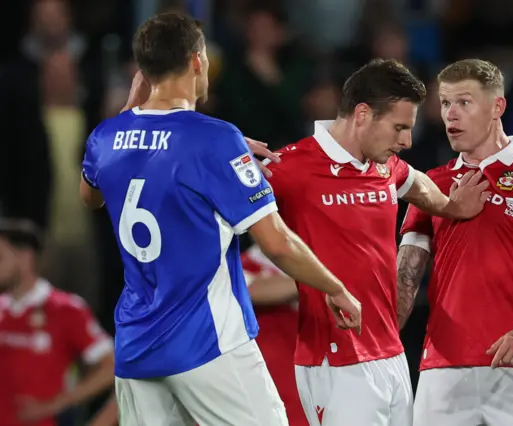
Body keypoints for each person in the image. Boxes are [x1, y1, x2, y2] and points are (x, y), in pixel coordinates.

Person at [78, 13, 362, 426]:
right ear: (197, 61)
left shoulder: (106, 136)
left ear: (143, 71)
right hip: (206, 340)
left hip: (136, 345)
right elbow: (277, 241)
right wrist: (334, 287)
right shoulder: (213, 138)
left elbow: (91, 196)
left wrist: (126, 113)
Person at [264, 58, 490, 426]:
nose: (407, 141)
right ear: (363, 114)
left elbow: (416, 184)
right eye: (399, 127)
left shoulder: (384, 166)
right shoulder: (288, 167)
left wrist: (451, 208)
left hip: (390, 353)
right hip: (335, 359)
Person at [397, 59, 513, 426]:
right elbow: (404, 279)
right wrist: (377, 347)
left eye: (464, 102)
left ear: (497, 106)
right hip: (443, 376)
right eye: (446, 103)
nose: (451, 114)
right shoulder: (430, 185)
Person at [0, 218, 114, 426]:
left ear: (26, 259)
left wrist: (59, 403)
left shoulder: (66, 309)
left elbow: (111, 367)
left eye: (0, 258)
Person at [242, 244, 308, 426]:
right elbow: (252, 290)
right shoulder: (240, 263)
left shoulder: (312, 264)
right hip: (257, 387)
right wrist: (319, 282)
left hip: (301, 389)